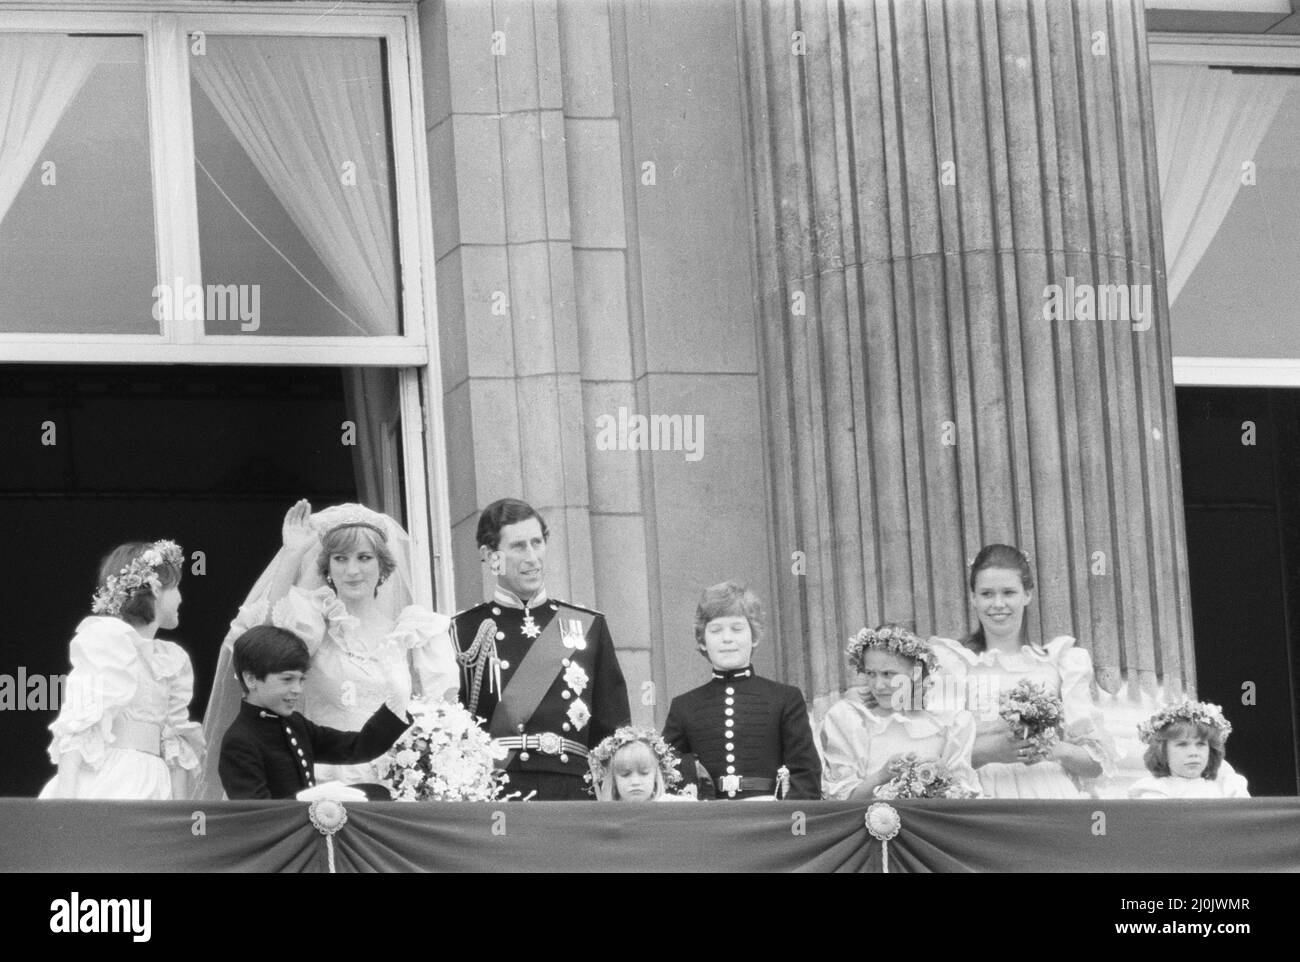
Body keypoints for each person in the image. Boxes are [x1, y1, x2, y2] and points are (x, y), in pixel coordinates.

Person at [198, 501, 456, 799]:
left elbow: (438, 712)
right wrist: (293, 554)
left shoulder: (415, 630)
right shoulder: (315, 620)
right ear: (327, 566)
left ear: (383, 565)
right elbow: (264, 639)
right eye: (340, 558)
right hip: (325, 779)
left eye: (364, 557)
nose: (352, 570)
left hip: (397, 782)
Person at [453, 498, 631, 801]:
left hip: (574, 792)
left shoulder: (588, 625)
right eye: (519, 546)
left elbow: (612, 731)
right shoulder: (463, 630)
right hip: (497, 793)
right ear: (490, 556)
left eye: (538, 543)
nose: (532, 557)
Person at [933, 544, 1111, 799]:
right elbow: (931, 754)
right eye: (986, 594)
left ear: (1027, 595)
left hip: (1048, 794)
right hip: (980, 795)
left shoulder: (1061, 662)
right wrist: (989, 751)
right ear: (973, 598)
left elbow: (1095, 764)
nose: (998, 604)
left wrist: (1052, 748)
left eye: (1008, 592)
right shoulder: (952, 664)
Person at [41, 541, 204, 800]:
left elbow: (174, 741)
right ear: (156, 589)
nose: (181, 597)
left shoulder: (172, 658)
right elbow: (82, 720)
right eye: (176, 588)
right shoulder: (109, 639)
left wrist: (181, 812)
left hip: (155, 782)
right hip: (115, 778)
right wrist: (66, 796)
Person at [662, 581, 821, 800]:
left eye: (737, 629)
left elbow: (805, 774)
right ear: (702, 641)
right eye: (716, 630)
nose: (727, 638)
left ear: (754, 636)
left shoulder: (785, 699)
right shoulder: (684, 706)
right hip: (708, 819)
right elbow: (668, 774)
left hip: (769, 819)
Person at [217, 625, 413, 800]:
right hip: (283, 839)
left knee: (375, 795)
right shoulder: (240, 741)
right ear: (251, 679)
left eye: (301, 680)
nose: (297, 689)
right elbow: (256, 818)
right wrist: (309, 801)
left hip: (308, 834)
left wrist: (397, 702)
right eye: (287, 679)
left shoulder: (294, 723)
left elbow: (356, 748)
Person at [818, 624, 979, 800]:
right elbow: (840, 802)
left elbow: (964, 797)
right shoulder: (850, 720)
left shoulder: (950, 724)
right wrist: (881, 776)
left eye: (888, 674)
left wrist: (942, 776)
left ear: (915, 672)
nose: (878, 685)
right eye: (871, 674)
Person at [1128, 700, 1249, 798]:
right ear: (1162, 751)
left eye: (1201, 744)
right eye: (1182, 745)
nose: (1193, 753)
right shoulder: (1155, 790)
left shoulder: (1226, 789)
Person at [587, 726, 692, 801]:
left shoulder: (673, 809)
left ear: (655, 777)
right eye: (625, 774)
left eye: (644, 773)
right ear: (614, 779)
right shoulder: (605, 816)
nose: (635, 782)